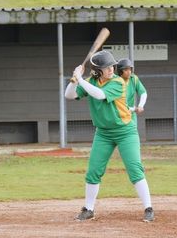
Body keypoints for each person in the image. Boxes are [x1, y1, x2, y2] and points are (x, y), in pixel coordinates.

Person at [64, 50, 154, 222]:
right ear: (98, 71)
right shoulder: (91, 82)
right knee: (93, 171)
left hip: (125, 131)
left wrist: (81, 80)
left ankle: (148, 208)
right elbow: (69, 95)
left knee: (135, 169)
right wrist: (74, 79)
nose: (111, 69)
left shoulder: (118, 82)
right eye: (106, 67)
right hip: (103, 133)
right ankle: (89, 209)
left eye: (112, 66)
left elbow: (100, 95)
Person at [116, 58, 147, 123]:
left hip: (131, 115)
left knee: (133, 132)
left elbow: (143, 93)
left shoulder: (133, 78)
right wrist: (135, 109)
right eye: (126, 69)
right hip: (118, 116)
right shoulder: (115, 82)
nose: (129, 71)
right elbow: (120, 106)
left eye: (130, 69)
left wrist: (140, 105)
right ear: (120, 71)